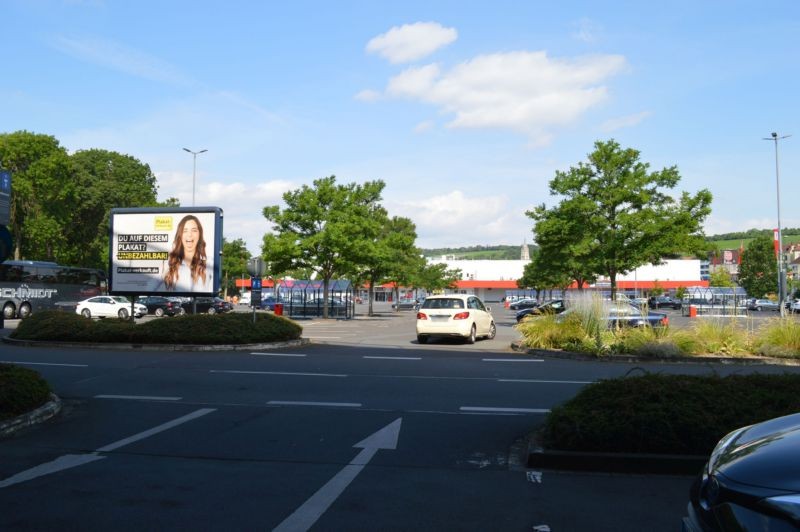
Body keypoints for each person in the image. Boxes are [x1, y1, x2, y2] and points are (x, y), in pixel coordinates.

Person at [152, 215, 213, 293]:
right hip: (177, 305)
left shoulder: (210, 263)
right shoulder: (170, 263)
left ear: (199, 234)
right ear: (180, 235)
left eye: (194, 230)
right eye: (185, 231)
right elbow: (150, 286)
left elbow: (213, 293)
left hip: (200, 305)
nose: (189, 234)